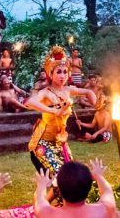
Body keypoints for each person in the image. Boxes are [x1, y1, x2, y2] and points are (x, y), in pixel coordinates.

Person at [25, 46, 97, 188]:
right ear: (50, 74)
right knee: (60, 178)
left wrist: (96, 104)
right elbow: (30, 102)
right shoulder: (46, 92)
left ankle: (59, 205)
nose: (62, 75)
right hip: (42, 143)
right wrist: (53, 111)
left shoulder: (69, 90)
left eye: (65, 72)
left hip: (60, 142)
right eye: (58, 72)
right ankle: (44, 205)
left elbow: (88, 92)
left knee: (71, 177)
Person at [34, 159, 119, 217]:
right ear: (89, 187)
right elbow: (107, 191)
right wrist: (99, 176)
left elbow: (39, 198)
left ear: (58, 188)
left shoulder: (45, 213)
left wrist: (42, 184)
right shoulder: (105, 209)